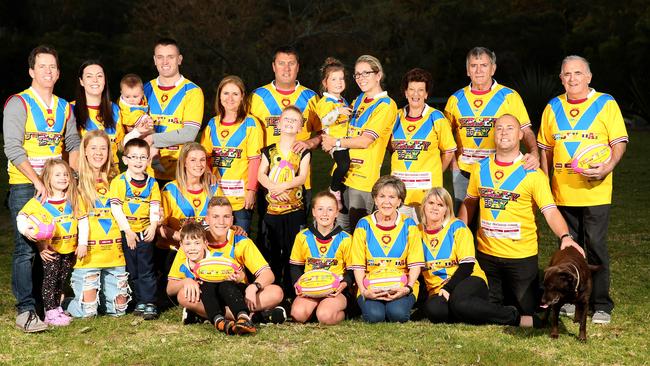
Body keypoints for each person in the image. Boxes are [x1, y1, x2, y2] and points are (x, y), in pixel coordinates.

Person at [459, 114, 584, 321]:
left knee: (529, 307)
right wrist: (459, 230)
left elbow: (550, 211)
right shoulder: (480, 168)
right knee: (485, 305)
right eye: (499, 128)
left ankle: (519, 310)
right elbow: (471, 202)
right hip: (487, 255)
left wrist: (565, 236)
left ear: (519, 135)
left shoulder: (533, 173)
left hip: (520, 257)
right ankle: (512, 314)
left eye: (509, 128)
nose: (503, 132)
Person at [537, 55, 628, 324]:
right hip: (563, 192)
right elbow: (545, 149)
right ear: (561, 78)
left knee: (596, 247)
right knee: (568, 251)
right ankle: (568, 298)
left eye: (578, 73)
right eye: (567, 74)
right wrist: (545, 181)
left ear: (589, 77)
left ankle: (601, 304)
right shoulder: (553, 107)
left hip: (595, 190)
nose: (572, 79)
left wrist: (608, 166)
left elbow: (619, 142)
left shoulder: (605, 103)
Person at [3, 45, 80, 332]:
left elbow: (72, 143)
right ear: (32, 71)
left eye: (53, 66)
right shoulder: (18, 103)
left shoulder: (64, 107)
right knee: (27, 248)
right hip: (26, 185)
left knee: (56, 245)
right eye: (42, 66)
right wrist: (38, 182)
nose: (48, 71)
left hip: (56, 187)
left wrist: (71, 176)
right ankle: (25, 310)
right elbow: (12, 146)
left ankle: (48, 304)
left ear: (58, 73)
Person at [444, 47, 539, 213]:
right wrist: (453, 163)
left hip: (499, 168)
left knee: (494, 219)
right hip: (464, 171)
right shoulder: (455, 99)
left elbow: (526, 130)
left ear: (493, 69)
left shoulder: (509, 96)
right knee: (463, 222)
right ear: (467, 70)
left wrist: (534, 152)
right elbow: (444, 136)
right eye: (473, 65)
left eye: (484, 65)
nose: (479, 70)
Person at [419, 187, 530, 326]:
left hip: (468, 279)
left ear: (447, 209)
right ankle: (468, 311)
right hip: (437, 288)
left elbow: (467, 266)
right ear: (424, 205)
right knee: (435, 311)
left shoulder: (458, 227)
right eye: (431, 203)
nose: (435, 208)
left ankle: (514, 316)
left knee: (459, 303)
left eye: (440, 205)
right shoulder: (416, 232)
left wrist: (448, 288)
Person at [167, 197, 285, 325]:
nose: (221, 222)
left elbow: (268, 274)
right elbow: (170, 288)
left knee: (276, 292)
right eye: (215, 216)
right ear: (207, 219)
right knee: (183, 296)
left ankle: (205, 315)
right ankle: (250, 316)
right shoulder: (193, 243)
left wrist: (253, 286)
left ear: (232, 220)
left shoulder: (241, 242)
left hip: (237, 295)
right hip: (207, 297)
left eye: (226, 216)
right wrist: (186, 281)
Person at [250, 45, 320, 244]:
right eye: (281, 63)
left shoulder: (311, 97)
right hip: (267, 180)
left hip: (299, 179)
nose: (286, 68)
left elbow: (326, 134)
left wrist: (310, 141)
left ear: (298, 67)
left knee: (296, 237)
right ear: (273, 66)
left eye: (291, 64)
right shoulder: (257, 96)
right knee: (266, 234)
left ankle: (295, 274)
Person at [322, 55, 398, 232]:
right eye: (357, 74)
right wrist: (329, 141)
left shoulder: (386, 105)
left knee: (358, 233)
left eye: (366, 73)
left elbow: (365, 141)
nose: (361, 78)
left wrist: (336, 141)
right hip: (343, 175)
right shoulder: (358, 100)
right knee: (339, 233)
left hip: (363, 179)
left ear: (378, 75)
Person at [67, 130, 131, 318]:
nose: (98, 152)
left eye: (103, 148)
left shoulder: (118, 180)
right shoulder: (75, 181)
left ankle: (102, 297)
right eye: (93, 148)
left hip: (114, 253)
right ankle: (63, 303)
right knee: (88, 313)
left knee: (119, 311)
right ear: (84, 151)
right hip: (89, 254)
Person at [17, 159, 86, 326]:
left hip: (69, 248)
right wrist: (27, 231)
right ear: (47, 178)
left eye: (65, 174)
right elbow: (21, 216)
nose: (63, 178)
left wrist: (82, 243)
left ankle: (57, 308)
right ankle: (49, 313)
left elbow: (83, 220)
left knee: (61, 280)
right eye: (57, 175)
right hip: (51, 250)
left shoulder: (73, 198)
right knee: (50, 280)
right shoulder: (41, 200)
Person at [348, 176, 424, 323]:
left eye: (392, 197)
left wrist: (407, 288)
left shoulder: (409, 225)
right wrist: (364, 291)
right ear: (375, 200)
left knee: (397, 315)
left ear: (399, 201)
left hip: (402, 285)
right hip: (370, 285)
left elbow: (415, 264)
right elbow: (358, 264)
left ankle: (396, 305)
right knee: (375, 317)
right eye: (381, 196)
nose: (386, 202)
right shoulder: (364, 224)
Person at [257, 106, 311, 298]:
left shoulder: (303, 152)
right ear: (278, 123)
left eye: (294, 120)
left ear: (300, 127)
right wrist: (273, 188)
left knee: (292, 252)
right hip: (272, 210)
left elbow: (302, 177)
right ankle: (271, 291)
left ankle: (291, 291)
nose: (289, 122)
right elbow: (261, 175)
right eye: (286, 119)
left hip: (294, 210)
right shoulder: (269, 151)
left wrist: (283, 186)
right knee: (271, 250)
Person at [390, 68, 456, 221]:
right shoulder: (396, 117)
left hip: (428, 195)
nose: (416, 94)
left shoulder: (436, 118)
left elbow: (449, 151)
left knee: (428, 237)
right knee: (403, 238)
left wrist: (436, 172)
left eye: (421, 90)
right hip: (400, 193)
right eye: (411, 89)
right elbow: (390, 148)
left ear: (426, 94)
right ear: (405, 92)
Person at [201, 75, 263, 233]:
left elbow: (255, 160)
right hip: (215, 197)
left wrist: (251, 191)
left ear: (242, 97)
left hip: (240, 199)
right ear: (219, 96)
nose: (230, 98)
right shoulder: (212, 123)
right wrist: (208, 171)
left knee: (240, 242)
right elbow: (204, 157)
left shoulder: (250, 123)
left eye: (235, 94)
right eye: (225, 93)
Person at [170, 222, 256, 335]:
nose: (192, 248)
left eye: (197, 243)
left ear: (205, 243)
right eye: (188, 244)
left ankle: (243, 317)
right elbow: (169, 289)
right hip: (210, 299)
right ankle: (220, 321)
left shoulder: (218, 259)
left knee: (223, 285)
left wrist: (239, 277)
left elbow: (240, 274)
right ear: (181, 245)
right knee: (199, 288)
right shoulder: (183, 263)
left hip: (229, 293)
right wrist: (187, 281)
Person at [158, 143, 217, 306]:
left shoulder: (213, 188)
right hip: (176, 250)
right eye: (193, 160)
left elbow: (222, 220)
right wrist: (183, 240)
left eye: (202, 160)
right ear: (183, 162)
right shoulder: (170, 190)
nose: (198, 165)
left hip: (206, 250)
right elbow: (160, 229)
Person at [109, 138, 161, 319]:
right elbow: (116, 208)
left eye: (143, 157)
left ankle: (150, 302)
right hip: (128, 233)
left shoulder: (152, 183)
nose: (139, 161)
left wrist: (153, 226)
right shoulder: (119, 182)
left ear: (148, 160)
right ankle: (139, 300)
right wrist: (127, 231)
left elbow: (155, 206)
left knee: (146, 268)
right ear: (125, 160)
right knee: (133, 269)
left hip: (145, 232)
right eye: (134, 157)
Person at [140, 38, 204, 184]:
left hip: (180, 172)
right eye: (160, 57)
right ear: (154, 60)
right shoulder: (144, 90)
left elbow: (189, 133)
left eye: (170, 57)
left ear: (179, 59)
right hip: (147, 171)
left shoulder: (193, 91)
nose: (165, 62)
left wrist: (152, 139)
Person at [289, 191, 352, 325]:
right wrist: (297, 283)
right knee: (298, 315)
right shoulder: (302, 236)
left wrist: (343, 285)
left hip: (334, 290)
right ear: (313, 212)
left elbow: (352, 270)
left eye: (330, 209)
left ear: (337, 213)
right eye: (320, 209)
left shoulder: (346, 239)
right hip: (310, 288)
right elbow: (295, 266)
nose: (325, 214)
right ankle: (315, 308)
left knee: (325, 316)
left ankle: (342, 311)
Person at [73, 60, 125, 178]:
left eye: (99, 76)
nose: (95, 80)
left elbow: (121, 145)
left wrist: (138, 132)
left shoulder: (115, 109)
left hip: (111, 176)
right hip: (83, 177)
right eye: (89, 76)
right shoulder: (70, 109)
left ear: (105, 80)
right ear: (81, 81)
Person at [315, 57, 352, 212]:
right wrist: (338, 112)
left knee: (348, 167)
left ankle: (341, 193)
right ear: (325, 83)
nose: (339, 82)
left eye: (341, 79)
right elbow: (325, 120)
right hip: (334, 142)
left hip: (345, 140)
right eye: (334, 79)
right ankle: (334, 189)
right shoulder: (325, 102)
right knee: (343, 164)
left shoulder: (342, 100)